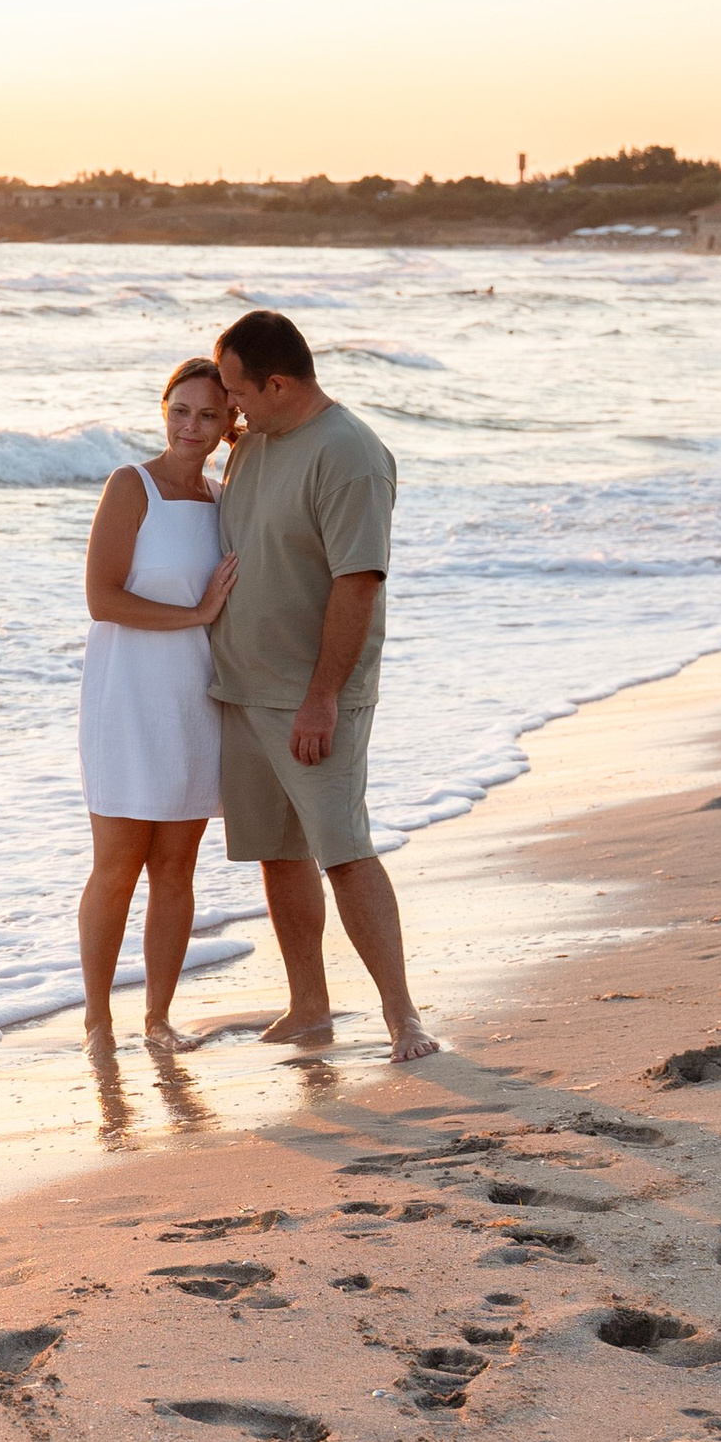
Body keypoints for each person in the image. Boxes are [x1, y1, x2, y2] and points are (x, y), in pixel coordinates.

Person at [208, 309, 438, 1061]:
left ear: (277, 383)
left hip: (312, 696)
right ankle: (310, 1006)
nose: (229, 407)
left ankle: (403, 1016)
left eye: (238, 392)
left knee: (343, 849)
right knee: (280, 852)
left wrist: (323, 697)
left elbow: (359, 582)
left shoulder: (349, 454)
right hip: (244, 688)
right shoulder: (255, 446)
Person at [78, 358, 239, 1039]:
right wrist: (195, 614)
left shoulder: (227, 501)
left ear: (230, 422)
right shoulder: (130, 485)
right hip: (127, 700)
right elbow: (102, 597)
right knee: (117, 867)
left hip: (196, 703)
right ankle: (96, 1019)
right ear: (163, 408)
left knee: (176, 868)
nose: (190, 427)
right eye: (180, 410)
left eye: (208, 415)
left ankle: (158, 1018)